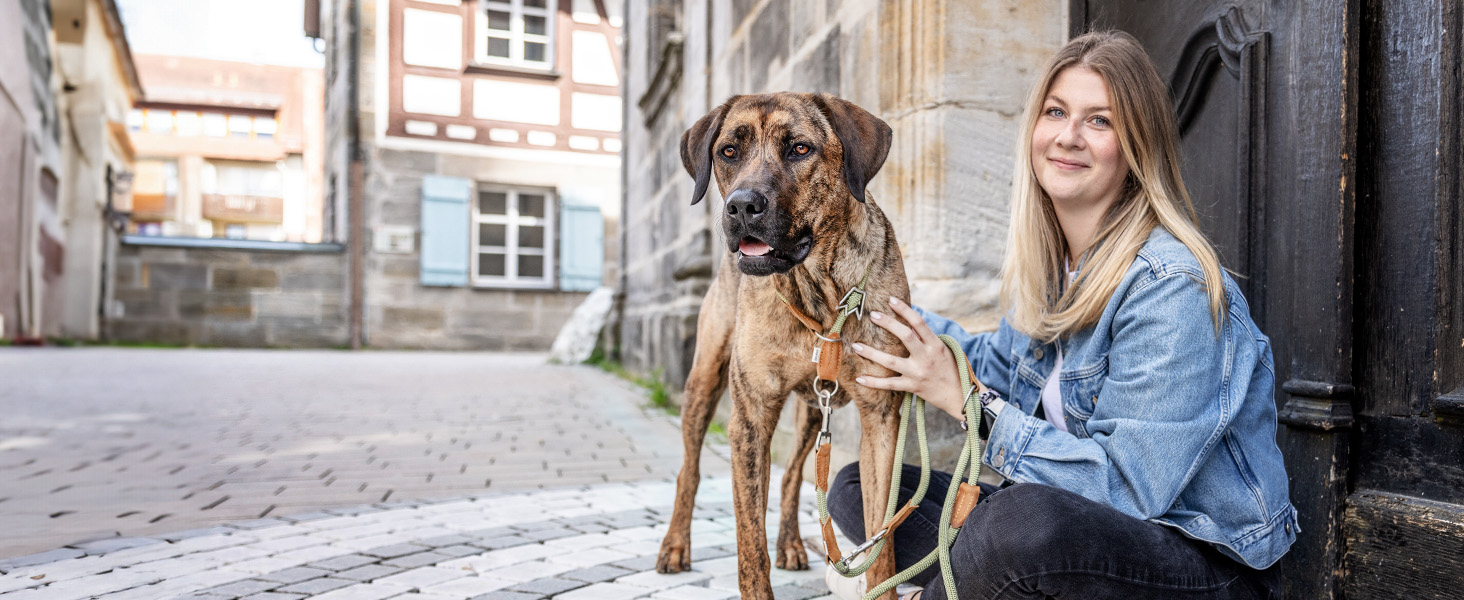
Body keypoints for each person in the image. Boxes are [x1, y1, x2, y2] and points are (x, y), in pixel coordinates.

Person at [824, 30, 1296, 600]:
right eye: (1056, 112)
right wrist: (876, 318)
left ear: (1136, 146)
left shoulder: (1172, 285)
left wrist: (970, 405)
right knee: (860, 490)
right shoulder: (1051, 271)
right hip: (1077, 535)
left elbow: (1128, 490)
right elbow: (987, 364)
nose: (1068, 137)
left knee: (1016, 524)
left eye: (1099, 121)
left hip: (1199, 565)